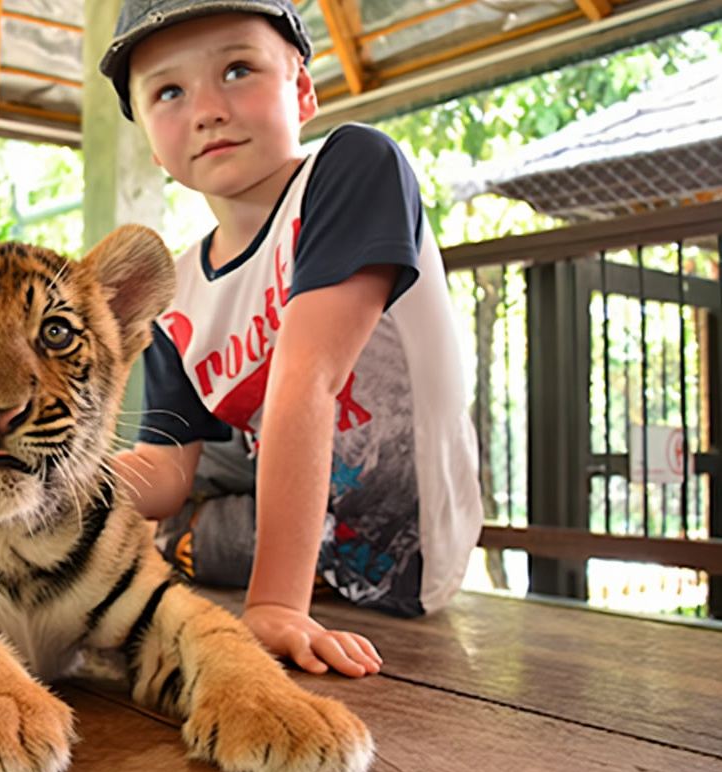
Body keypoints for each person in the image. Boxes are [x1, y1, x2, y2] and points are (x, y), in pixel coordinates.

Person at [99, 0, 483, 678]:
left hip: (399, 546)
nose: (208, 108)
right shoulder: (178, 287)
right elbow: (161, 470)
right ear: (152, 147)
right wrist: (45, 478)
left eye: (238, 69)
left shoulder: (350, 168)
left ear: (302, 88)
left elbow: (307, 380)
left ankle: (190, 541)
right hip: (271, 500)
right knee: (136, 496)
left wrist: (274, 604)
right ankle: (182, 535)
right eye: (168, 91)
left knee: (188, 538)